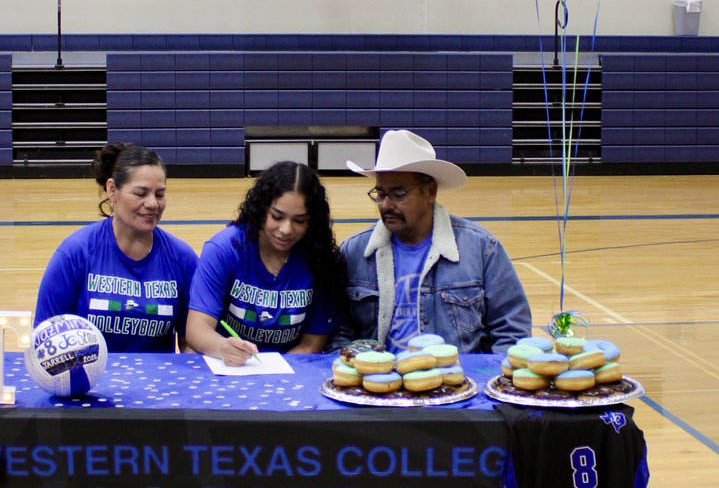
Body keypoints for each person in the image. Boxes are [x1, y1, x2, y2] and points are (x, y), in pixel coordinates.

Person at [336, 129, 531, 355]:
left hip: (458, 384)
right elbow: (339, 334)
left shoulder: (482, 248)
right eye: (380, 193)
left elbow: (512, 331)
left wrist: (486, 379)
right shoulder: (354, 252)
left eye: (398, 194)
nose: (386, 205)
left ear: (430, 191)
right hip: (377, 386)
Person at [35, 142, 198, 352]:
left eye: (159, 194)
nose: (152, 204)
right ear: (112, 190)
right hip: (87, 384)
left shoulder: (183, 259)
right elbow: (44, 337)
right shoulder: (75, 253)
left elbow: (192, 343)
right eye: (140, 193)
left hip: (158, 384)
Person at [186, 162, 346, 364]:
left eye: (299, 220)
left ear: (313, 220)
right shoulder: (224, 249)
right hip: (227, 367)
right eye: (277, 217)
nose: (286, 229)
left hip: (289, 372)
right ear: (261, 209)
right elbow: (196, 329)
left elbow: (311, 344)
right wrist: (221, 347)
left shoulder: (322, 261)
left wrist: (272, 375)